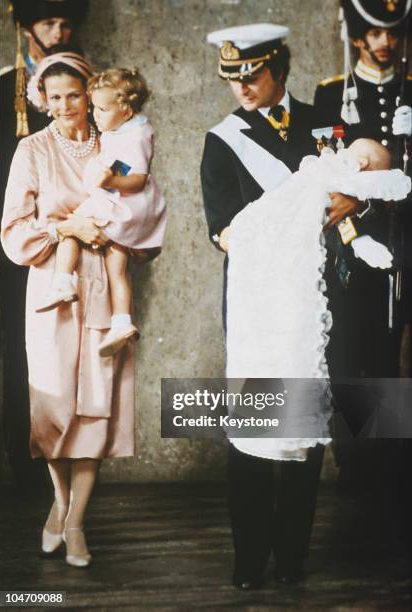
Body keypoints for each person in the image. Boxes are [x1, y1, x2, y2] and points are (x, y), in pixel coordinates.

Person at [200, 23, 362, 589]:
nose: (242, 89)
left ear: (278, 68)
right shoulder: (223, 139)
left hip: (316, 298)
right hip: (260, 300)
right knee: (253, 429)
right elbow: (221, 229)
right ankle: (249, 560)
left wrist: (351, 202)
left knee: (304, 428)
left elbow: (351, 187)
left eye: (253, 76)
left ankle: (292, 557)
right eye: (233, 80)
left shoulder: (324, 121)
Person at [1, 51, 136, 568]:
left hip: (104, 282)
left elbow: (141, 207)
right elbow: (13, 234)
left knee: (94, 409)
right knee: (54, 410)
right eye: (52, 98)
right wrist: (65, 228)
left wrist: (110, 232)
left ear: (91, 94)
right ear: (41, 100)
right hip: (51, 286)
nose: (63, 107)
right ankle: (60, 502)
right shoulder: (31, 150)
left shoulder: (115, 145)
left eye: (73, 96)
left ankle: (76, 521)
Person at [226, 139, 410, 460]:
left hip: (337, 289)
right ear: (364, 164)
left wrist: (361, 220)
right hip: (276, 247)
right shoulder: (336, 169)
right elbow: (391, 183)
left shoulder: (327, 152)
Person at [313, 0, 412, 491]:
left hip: (404, 239)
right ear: (357, 37)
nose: (384, 43)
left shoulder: (410, 90)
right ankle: (355, 465)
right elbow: (330, 173)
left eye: (392, 33)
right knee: (350, 352)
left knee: (390, 350)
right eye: (374, 33)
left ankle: (389, 465)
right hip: (352, 243)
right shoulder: (331, 94)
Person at [0, 0, 89, 495]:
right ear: (26, 26)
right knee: (23, 351)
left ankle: (72, 462)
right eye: (49, 22)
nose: (60, 31)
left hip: (78, 240)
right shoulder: (2, 90)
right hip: (19, 241)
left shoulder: (86, 88)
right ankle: (25, 458)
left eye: (66, 22)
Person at [34, 66, 166, 357]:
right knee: (116, 267)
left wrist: (109, 180)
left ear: (126, 110)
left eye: (100, 108)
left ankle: (62, 282)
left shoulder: (134, 135)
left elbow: (139, 178)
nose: (95, 114)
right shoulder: (119, 128)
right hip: (120, 200)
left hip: (120, 200)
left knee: (73, 224)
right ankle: (122, 322)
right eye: (55, 97)